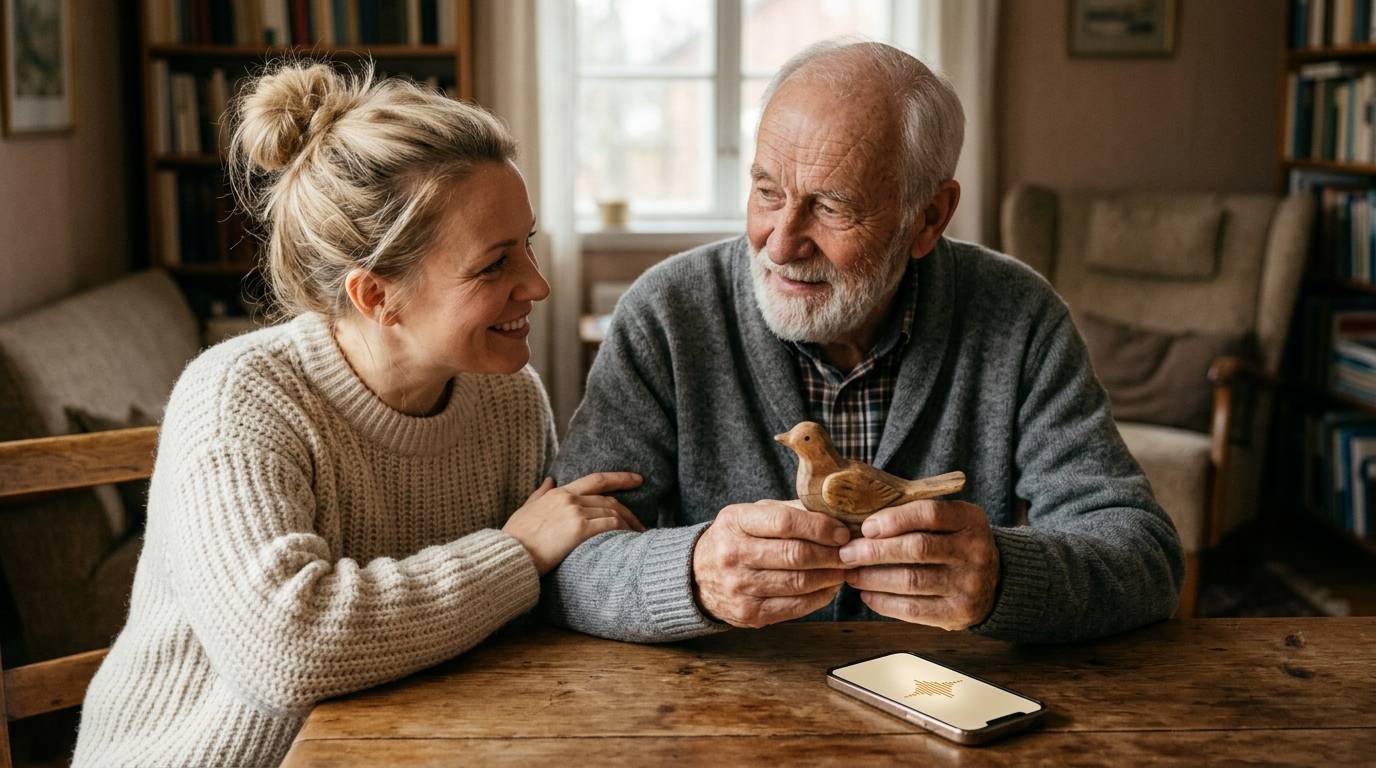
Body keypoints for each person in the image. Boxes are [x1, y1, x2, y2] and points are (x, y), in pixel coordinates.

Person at [73, 62, 642, 768]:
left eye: (527, 243)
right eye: (494, 265)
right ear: (376, 296)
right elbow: (286, 650)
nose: (538, 283)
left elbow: (528, 608)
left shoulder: (510, 397)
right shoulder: (239, 399)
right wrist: (517, 553)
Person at [545, 41, 1184, 644]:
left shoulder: (1019, 315)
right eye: (767, 192)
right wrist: (692, 576)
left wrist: (1004, 577)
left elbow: (1145, 558)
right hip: (721, 705)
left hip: (943, 699)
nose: (780, 244)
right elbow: (562, 566)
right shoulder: (666, 314)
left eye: (831, 208)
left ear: (928, 217)